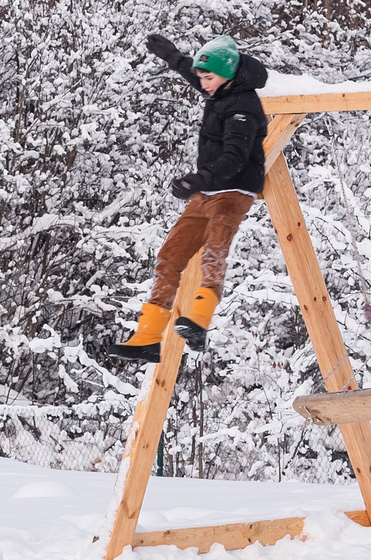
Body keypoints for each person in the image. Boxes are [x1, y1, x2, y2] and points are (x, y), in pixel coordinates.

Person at [101, 32, 271, 360]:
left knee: (214, 251)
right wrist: (174, 59)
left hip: (232, 192)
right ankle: (148, 337)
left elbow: (235, 156)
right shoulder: (222, 89)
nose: (204, 84)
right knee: (169, 256)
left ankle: (199, 320)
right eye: (201, 77)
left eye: (209, 78)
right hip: (206, 193)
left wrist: (200, 178)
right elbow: (203, 79)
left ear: (229, 74)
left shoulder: (244, 107)